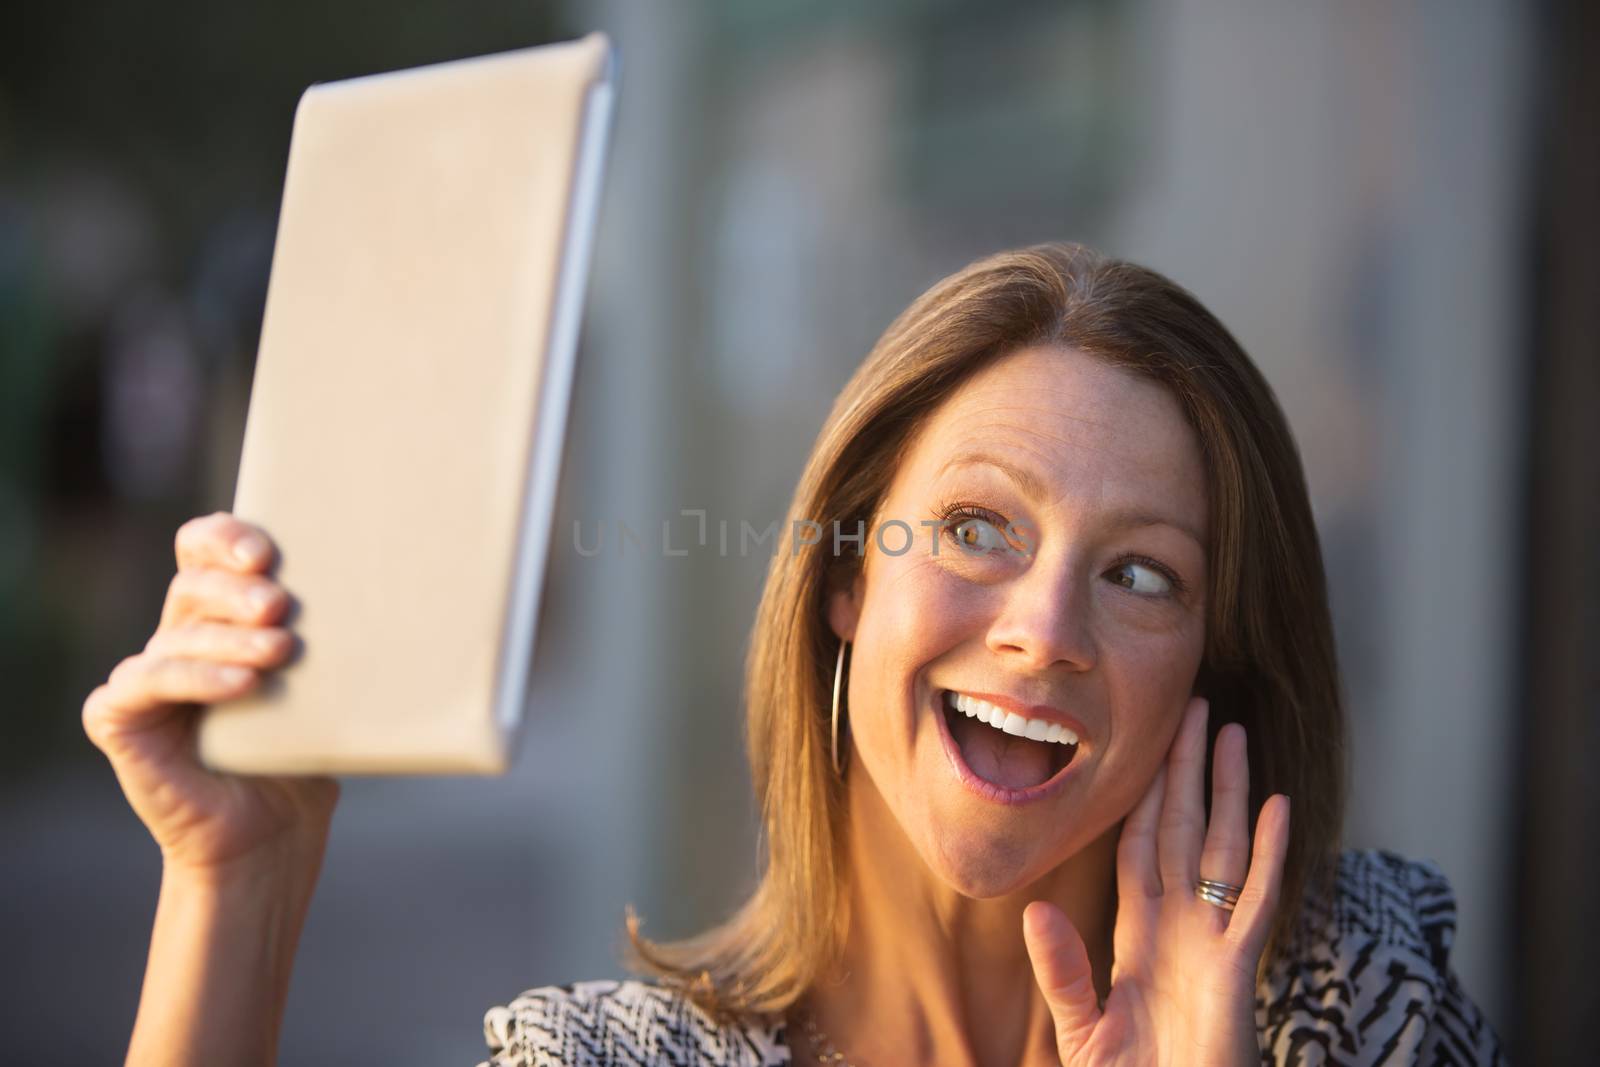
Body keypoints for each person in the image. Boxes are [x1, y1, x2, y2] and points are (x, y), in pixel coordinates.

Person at [84, 243, 1507, 1066]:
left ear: (1208, 661)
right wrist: (237, 885)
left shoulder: (1356, 997)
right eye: (974, 528)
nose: (1045, 632)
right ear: (843, 581)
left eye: (1142, 575)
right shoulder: (604, 1066)